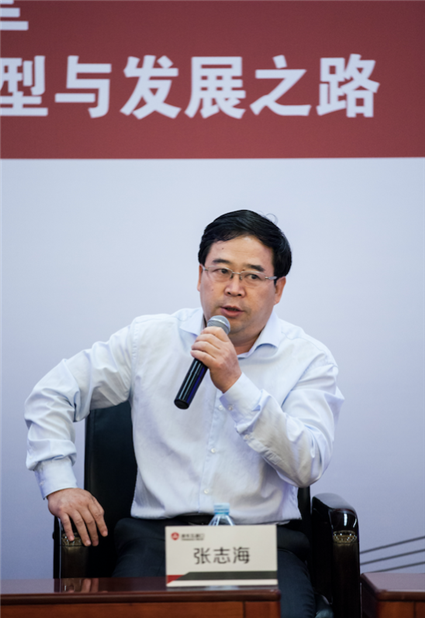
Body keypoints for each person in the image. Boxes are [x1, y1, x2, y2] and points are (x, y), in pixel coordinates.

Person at [25, 209, 343, 618]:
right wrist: (58, 483)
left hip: (259, 545)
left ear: (278, 288)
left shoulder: (309, 359)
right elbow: (52, 392)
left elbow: (308, 464)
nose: (233, 288)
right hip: (158, 542)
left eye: (252, 276)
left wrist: (235, 384)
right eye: (221, 271)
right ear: (200, 276)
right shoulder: (149, 339)